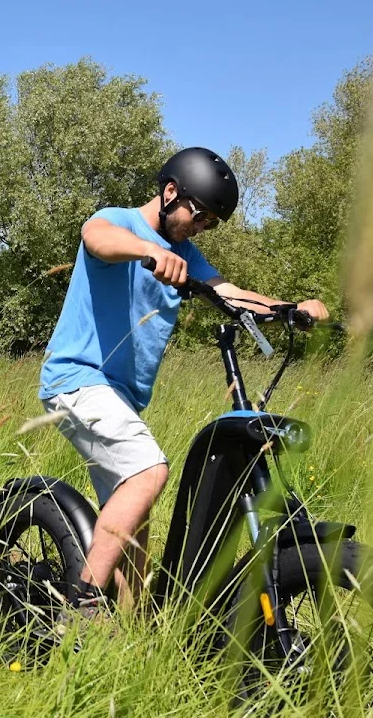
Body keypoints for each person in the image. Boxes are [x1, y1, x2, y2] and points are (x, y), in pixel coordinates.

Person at [38, 146, 329, 615]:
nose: (201, 228)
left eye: (211, 223)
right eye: (200, 215)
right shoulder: (118, 222)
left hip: (121, 398)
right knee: (149, 471)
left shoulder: (186, 254)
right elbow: (97, 238)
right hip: (77, 379)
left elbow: (229, 293)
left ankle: (126, 634)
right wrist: (149, 250)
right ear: (171, 192)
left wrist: (288, 309)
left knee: (135, 534)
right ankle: (83, 603)